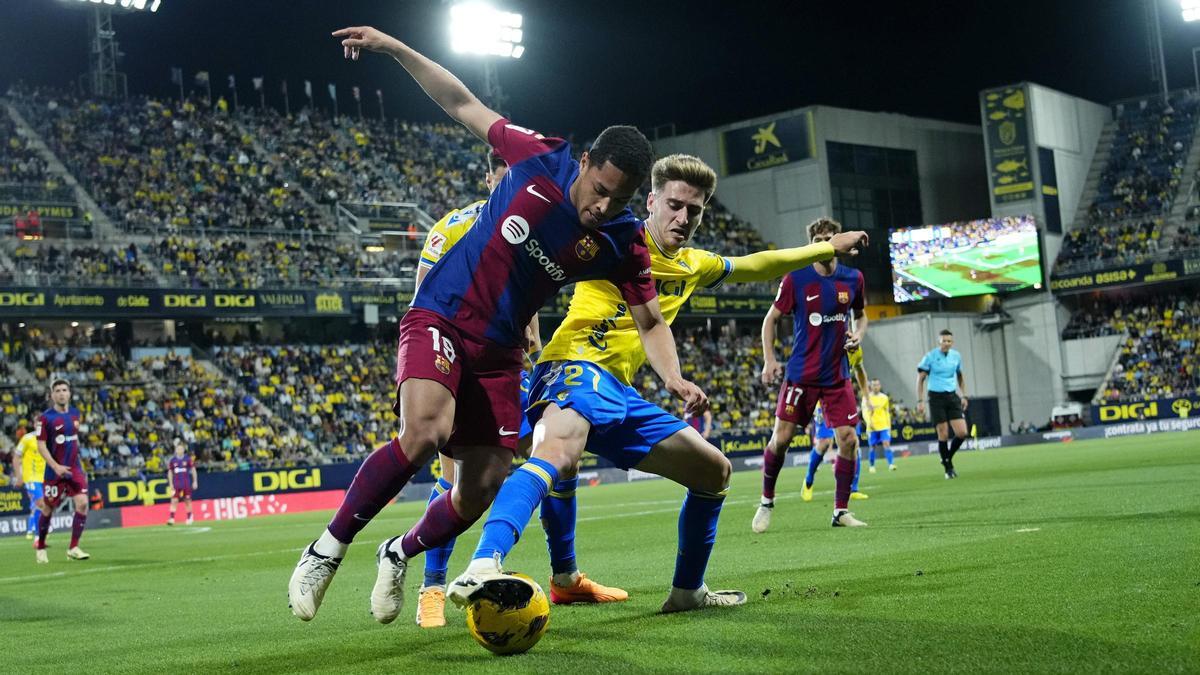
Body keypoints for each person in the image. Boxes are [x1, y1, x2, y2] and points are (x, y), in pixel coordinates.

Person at [289, 25, 703, 624]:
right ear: (583, 162)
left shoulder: (622, 241)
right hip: (443, 316)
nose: (602, 207)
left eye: (620, 200)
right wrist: (395, 48)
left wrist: (673, 377)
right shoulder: (537, 155)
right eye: (599, 190)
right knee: (426, 431)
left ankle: (397, 550)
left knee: (482, 485)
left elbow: (650, 319)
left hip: (502, 351)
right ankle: (325, 550)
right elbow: (460, 100)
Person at [447, 154, 869, 613]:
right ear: (650, 200)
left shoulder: (694, 264)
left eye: (695, 210)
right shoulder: (613, 235)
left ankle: (686, 591)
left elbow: (760, 264)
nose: (683, 217)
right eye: (674, 205)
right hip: (571, 365)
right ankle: (485, 563)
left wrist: (826, 249)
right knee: (558, 454)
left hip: (619, 389)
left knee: (714, 471)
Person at [411, 153, 623, 630]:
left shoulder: (536, 222)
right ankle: (432, 587)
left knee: (557, 455)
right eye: (506, 175)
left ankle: (566, 575)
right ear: (490, 177)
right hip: (460, 361)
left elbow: (532, 292)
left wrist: (539, 349)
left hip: (513, 365)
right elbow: (423, 299)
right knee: (455, 478)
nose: (516, 184)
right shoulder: (453, 227)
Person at [754, 218, 869, 532]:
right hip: (801, 375)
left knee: (848, 439)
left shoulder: (853, 278)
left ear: (839, 240)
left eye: (830, 237)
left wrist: (859, 334)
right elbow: (771, 319)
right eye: (819, 238)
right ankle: (766, 501)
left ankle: (840, 511)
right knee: (782, 439)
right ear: (811, 244)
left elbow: (861, 316)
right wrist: (769, 359)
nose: (825, 242)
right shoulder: (796, 279)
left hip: (837, 376)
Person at [797, 347, 870, 505]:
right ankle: (808, 481)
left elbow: (860, 371)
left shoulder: (855, 349)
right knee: (824, 444)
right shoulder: (825, 344)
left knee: (852, 442)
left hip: (843, 399)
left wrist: (867, 398)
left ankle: (853, 489)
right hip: (822, 400)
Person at [33, 379, 89, 563]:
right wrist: (56, 466)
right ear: (52, 395)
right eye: (57, 390)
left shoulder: (75, 414)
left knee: (82, 503)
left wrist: (77, 462)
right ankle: (40, 546)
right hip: (54, 471)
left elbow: (73, 441)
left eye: (65, 390)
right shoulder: (45, 418)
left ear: (70, 393)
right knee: (48, 508)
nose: (61, 393)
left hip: (74, 468)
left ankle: (73, 547)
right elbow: (41, 446)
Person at [916, 329, 969, 478]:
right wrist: (920, 401)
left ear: (952, 342)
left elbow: (960, 376)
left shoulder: (956, 356)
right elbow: (920, 379)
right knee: (943, 433)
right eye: (944, 341)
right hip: (936, 397)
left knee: (962, 432)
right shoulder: (930, 357)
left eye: (949, 341)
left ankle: (947, 457)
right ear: (939, 341)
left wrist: (964, 395)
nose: (946, 343)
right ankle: (948, 468)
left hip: (952, 396)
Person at [12, 429, 44, 541]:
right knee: (39, 503)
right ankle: (36, 534)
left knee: (41, 506)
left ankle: (37, 532)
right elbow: (16, 457)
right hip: (31, 477)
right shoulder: (27, 439)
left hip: (44, 477)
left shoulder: (48, 438)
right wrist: (19, 477)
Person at [865, 378, 896, 472]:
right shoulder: (867, 398)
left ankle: (891, 464)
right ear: (871, 386)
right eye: (874, 385)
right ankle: (872, 466)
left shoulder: (884, 398)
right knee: (872, 446)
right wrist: (869, 423)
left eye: (877, 385)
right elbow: (865, 412)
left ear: (880, 386)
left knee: (886, 444)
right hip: (872, 427)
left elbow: (887, 412)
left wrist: (889, 425)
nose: (875, 387)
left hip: (883, 426)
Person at [166, 439, 197, 526]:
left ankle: (189, 517)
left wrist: (195, 481)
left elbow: (193, 470)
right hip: (176, 484)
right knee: (174, 500)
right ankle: (171, 518)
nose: (179, 450)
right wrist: (171, 483)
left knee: (187, 500)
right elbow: (170, 472)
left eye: (181, 449)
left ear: (183, 450)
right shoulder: (173, 460)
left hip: (186, 483)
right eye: (178, 449)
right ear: (176, 450)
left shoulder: (187, 459)